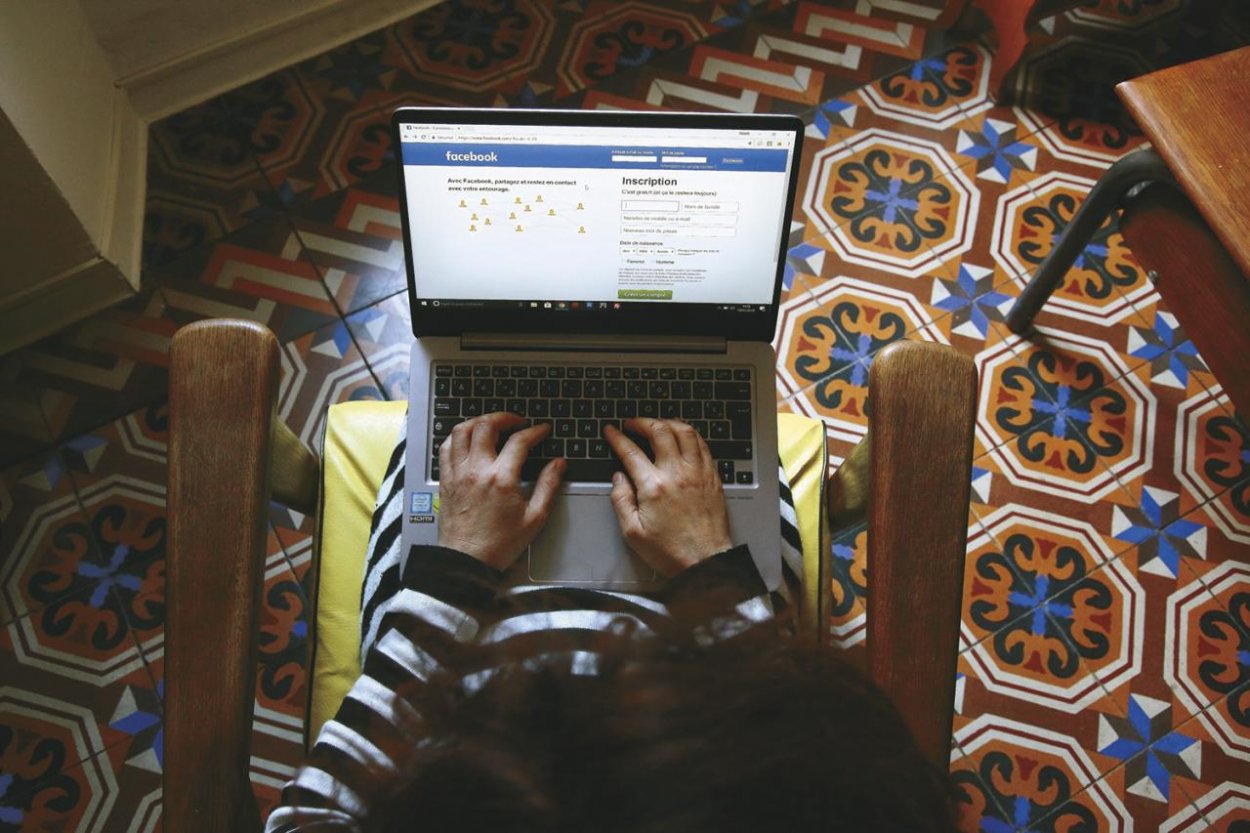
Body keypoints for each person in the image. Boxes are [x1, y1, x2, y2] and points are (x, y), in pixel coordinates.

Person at [265, 413, 959, 833]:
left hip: (447, 630)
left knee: (432, 445)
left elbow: (305, 818)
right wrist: (714, 570)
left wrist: (455, 570)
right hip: (718, 645)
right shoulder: (814, 792)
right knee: (743, 451)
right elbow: (790, 726)